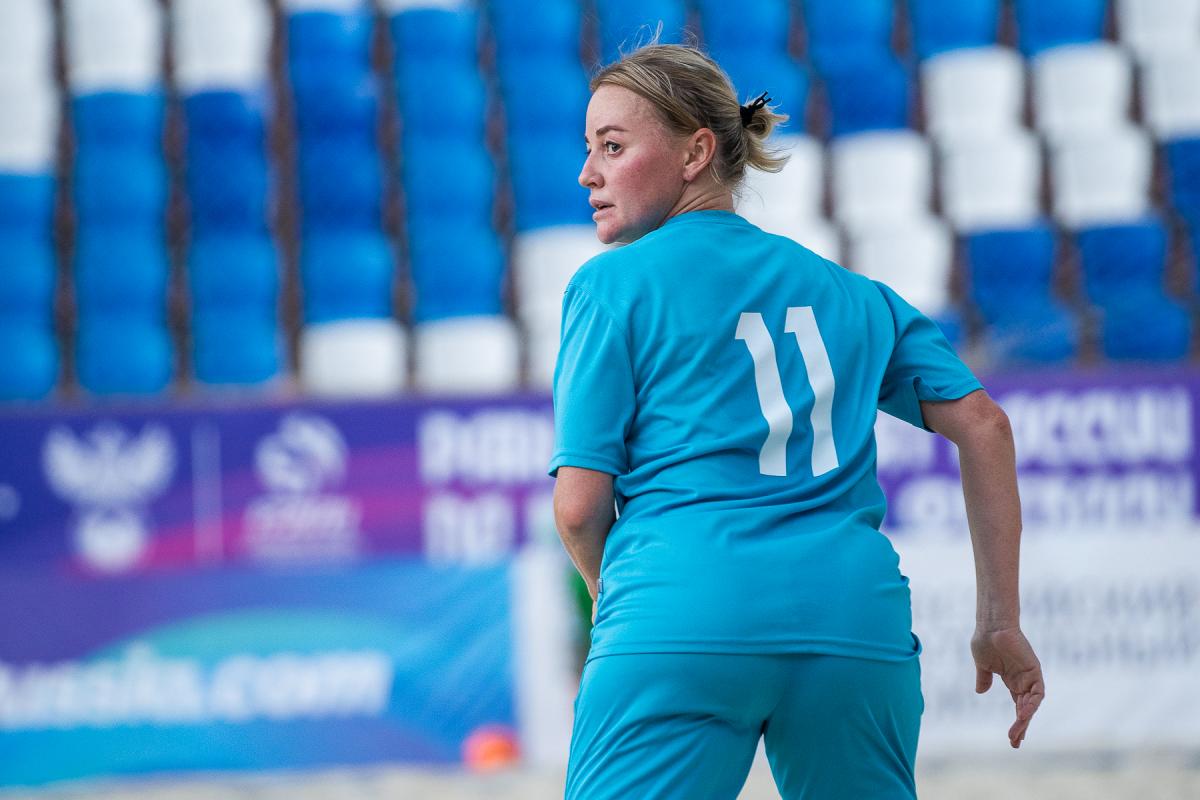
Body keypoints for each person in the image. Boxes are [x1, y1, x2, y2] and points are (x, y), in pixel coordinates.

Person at [549, 44, 1044, 800]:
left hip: (680, 612)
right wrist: (999, 622)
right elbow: (985, 427)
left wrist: (613, 603)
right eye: (589, 149)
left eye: (612, 147)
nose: (588, 172)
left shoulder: (610, 286)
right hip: (853, 623)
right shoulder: (853, 294)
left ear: (696, 153)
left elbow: (579, 507)